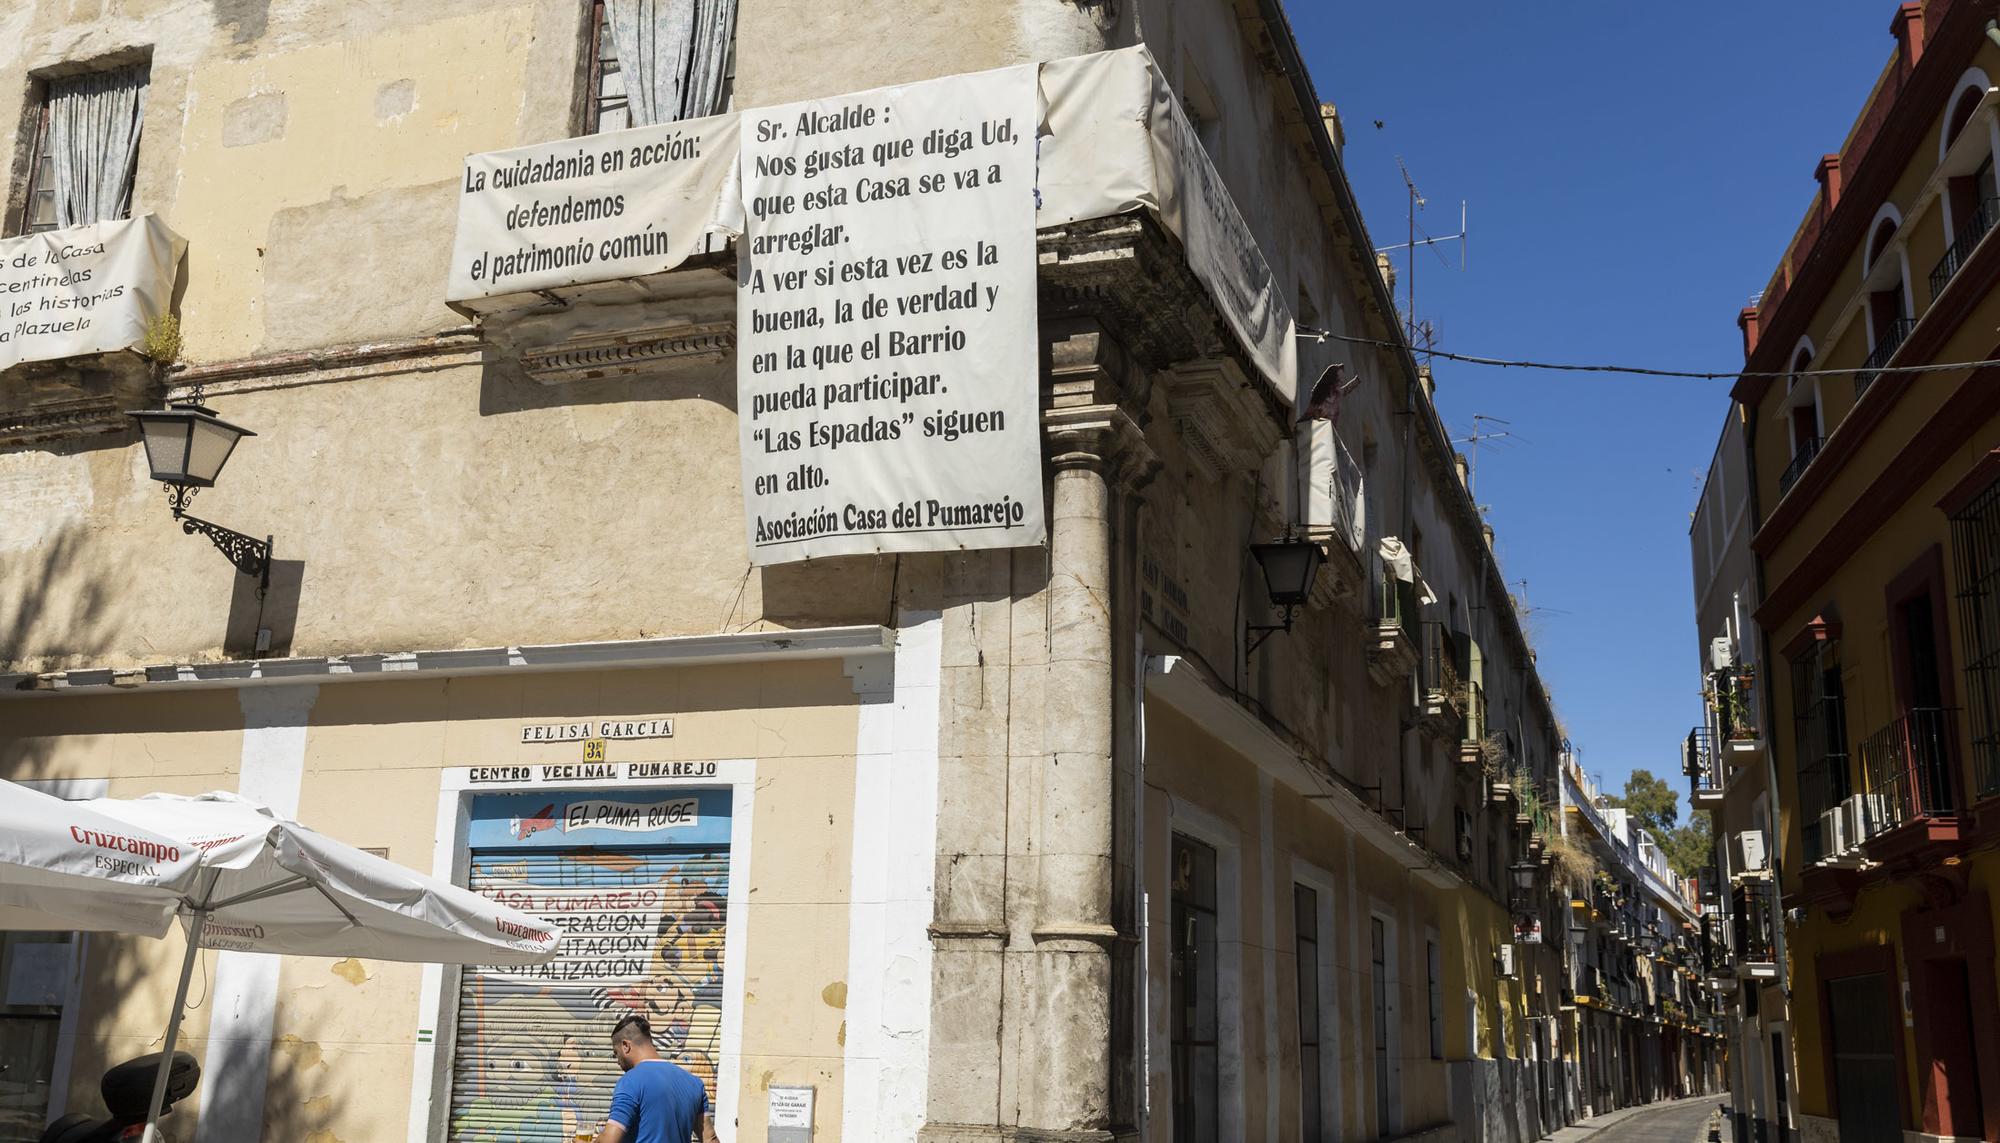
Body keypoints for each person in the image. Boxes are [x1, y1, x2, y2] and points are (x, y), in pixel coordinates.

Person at [594, 1015, 719, 1143]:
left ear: (626, 1046)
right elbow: (711, 1139)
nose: (617, 1061)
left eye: (616, 1053)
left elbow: (609, 1140)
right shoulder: (694, 1083)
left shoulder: (630, 1082)